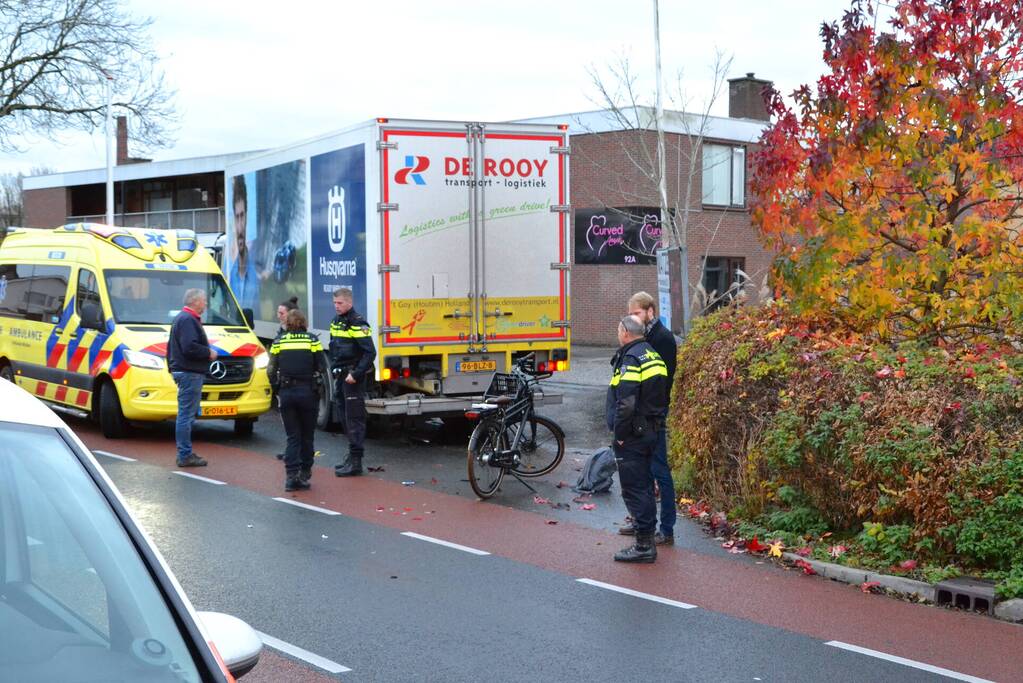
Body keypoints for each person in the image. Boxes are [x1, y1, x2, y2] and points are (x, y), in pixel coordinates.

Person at [617, 291, 678, 545]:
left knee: (659, 470)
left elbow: (658, 382)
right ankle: (643, 522)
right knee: (641, 471)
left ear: (650, 312)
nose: (634, 318)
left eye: (637, 313)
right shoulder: (642, 337)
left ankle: (666, 529)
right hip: (642, 415)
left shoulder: (661, 338)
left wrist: (649, 413)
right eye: (631, 314)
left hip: (652, 415)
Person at [607, 314, 669, 563]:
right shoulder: (652, 354)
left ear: (624, 332)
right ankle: (646, 537)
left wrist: (620, 435)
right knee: (644, 486)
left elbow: (627, 402)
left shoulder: (631, 358)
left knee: (635, 488)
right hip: (651, 430)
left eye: (618, 330)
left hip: (633, 434)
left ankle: (644, 546)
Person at [267, 308, 327, 491]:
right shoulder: (312, 340)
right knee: (307, 436)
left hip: (287, 393)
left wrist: (276, 387)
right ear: (304, 323)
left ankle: (291, 477)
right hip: (308, 392)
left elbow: (270, 369)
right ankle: (305, 472)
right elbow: (322, 366)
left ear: (288, 323)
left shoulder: (279, 341)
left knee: (293, 437)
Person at [329, 287, 376, 476]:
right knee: (343, 416)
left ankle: (356, 462)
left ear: (349, 302)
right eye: (334, 303)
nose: (336, 306)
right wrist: (333, 367)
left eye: (340, 303)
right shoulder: (336, 322)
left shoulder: (358, 323)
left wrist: (355, 374)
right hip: (341, 375)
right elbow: (334, 347)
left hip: (352, 378)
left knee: (354, 418)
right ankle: (351, 455)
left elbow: (370, 352)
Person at [168, 289, 217, 468]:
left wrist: (172, 368)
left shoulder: (182, 318)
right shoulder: (188, 320)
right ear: (195, 301)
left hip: (184, 371)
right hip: (190, 372)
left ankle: (185, 452)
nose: (205, 303)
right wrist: (208, 352)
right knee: (186, 415)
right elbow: (189, 347)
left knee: (186, 414)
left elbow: (171, 347)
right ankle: (184, 454)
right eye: (204, 300)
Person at [228, 175, 261, 313]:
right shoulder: (229, 275)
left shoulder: (258, 273)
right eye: (237, 217)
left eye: (242, 216)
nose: (240, 226)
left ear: (247, 217)